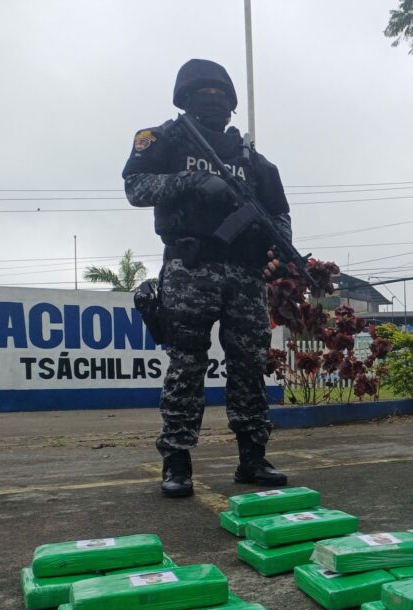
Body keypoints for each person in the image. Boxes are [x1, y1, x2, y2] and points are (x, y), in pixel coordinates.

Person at [123, 59, 289, 497]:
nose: (213, 102)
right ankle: (176, 461)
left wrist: (276, 256)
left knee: (250, 365)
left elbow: (279, 216)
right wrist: (192, 181)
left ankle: (253, 457)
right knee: (187, 364)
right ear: (186, 99)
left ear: (232, 105)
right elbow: (136, 187)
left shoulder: (254, 161)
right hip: (190, 269)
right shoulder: (164, 140)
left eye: (221, 96)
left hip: (245, 277)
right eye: (204, 94)